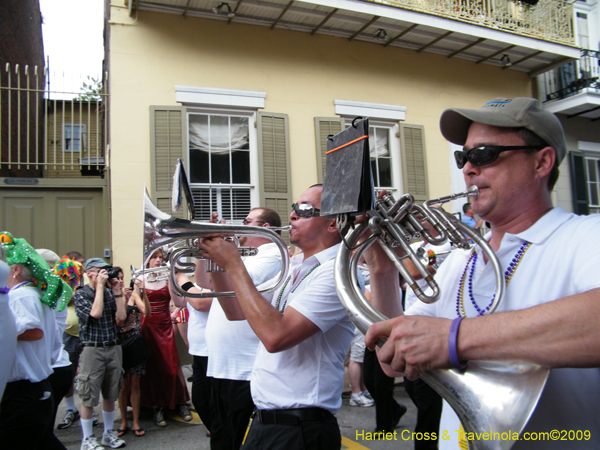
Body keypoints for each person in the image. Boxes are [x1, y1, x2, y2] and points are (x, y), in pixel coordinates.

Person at [363, 97, 600, 449]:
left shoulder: (586, 235)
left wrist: (455, 338)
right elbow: (395, 364)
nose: (468, 169)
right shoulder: (461, 259)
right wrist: (382, 269)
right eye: (464, 156)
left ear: (542, 162)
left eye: (485, 154)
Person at [198, 184, 356, 450]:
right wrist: (215, 259)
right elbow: (235, 310)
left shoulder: (336, 273)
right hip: (269, 421)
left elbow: (276, 336)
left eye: (304, 210)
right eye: (294, 208)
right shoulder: (294, 266)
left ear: (333, 224)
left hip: (301, 428)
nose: (293, 215)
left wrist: (233, 262)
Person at [201, 207, 284, 450]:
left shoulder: (274, 254)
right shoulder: (241, 256)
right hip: (222, 364)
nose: (239, 226)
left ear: (264, 227)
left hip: (244, 368)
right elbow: (203, 283)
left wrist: (223, 253)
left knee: (239, 441)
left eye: (246, 221)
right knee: (221, 437)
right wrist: (204, 251)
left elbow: (241, 281)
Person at [0, 232, 71, 450]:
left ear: (16, 269)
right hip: (33, 387)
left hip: (24, 391)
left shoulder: (21, 296)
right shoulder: (34, 295)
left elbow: (34, 331)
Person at [73, 258, 127, 450]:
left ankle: (108, 433)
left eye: (107, 271)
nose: (104, 275)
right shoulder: (81, 294)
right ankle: (87, 438)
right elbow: (95, 313)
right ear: (89, 273)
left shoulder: (108, 292)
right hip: (92, 349)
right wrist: (100, 288)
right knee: (88, 396)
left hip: (113, 347)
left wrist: (117, 291)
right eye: (100, 271)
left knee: (111, 393)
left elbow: (121, 317)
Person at [138, 249, 191, 426]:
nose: (159, 260)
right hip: (147, 325)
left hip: (164, 323)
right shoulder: (142, 279)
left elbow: (177, 301)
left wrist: (174, 313)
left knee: (171, 363)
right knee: (152, 365)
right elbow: (136, 304)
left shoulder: (166, 277)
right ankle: (156, 406)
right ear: (148, 260)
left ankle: (179, 402)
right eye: (155, 258)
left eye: (160, 257)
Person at [115, 267, 151, 438]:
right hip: (120, 344)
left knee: (135, 383)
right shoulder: (113, 297)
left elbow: (148, 313)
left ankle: (135, 421)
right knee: (122, 386)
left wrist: (143, 293)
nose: (121, 281)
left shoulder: (134, 296)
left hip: (135, 343)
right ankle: (123, 421)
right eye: (118, 278)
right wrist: (123, 300)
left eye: (123, 277)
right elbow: (119, 323)